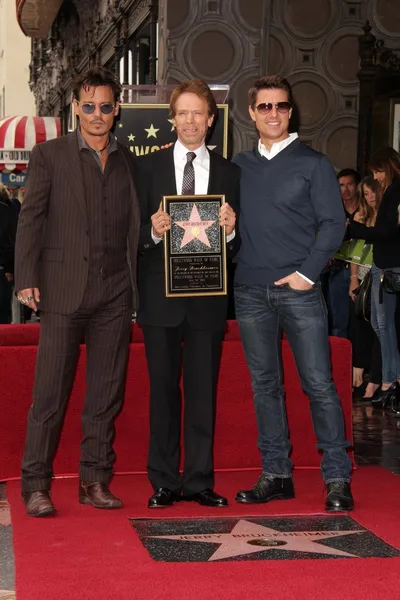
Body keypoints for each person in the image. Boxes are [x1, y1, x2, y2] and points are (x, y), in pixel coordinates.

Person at [14, 68, 140, 517]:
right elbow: (31, 218)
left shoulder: (128, 162)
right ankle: (35, 485)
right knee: (49, 393)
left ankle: (94, 480)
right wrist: (27, 274)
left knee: (105, 393)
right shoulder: (50, 155)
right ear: (75, 109)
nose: (97, 115)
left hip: (115, 294)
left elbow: (135, 227)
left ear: (117, 109)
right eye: (88, 106)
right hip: (63, 291)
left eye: (106, 106)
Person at [232, 75, 353, 512]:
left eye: (281, 106)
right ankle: (276, 473)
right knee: (265, 386)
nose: (274, 114)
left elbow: (334, 224)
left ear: (290, 111)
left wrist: (307, 272)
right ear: (252, 113)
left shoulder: (314, 164)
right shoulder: (238, 166)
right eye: (265, 107)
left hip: (300, 291)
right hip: (249, 289)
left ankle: (337, 477)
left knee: (319, 384)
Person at [136, 78, 240, 508]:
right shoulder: (147, 168)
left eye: (199, 112)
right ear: (172, 118)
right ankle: (163, 480)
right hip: (159, 302)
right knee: (162, 392)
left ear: (211, 120)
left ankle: (198, 481)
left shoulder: (231, 173)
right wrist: (154, 233)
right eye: (184, 112)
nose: (191, 120)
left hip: (207, 304)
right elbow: (131, 233)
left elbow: (236, 245)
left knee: (202, 394)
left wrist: (232, 233)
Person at [347, 147, 400, 415]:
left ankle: (391, 381)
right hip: (383, 264)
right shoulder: (391, 192)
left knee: (386, 327)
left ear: (388, 167)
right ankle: (389, 381)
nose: (375, 177)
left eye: (378, 171)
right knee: (381, 326)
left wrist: (354, 229)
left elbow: (389, 231)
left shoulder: (396, 191)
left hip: (391, 265)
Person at [348, 176, 382, 400]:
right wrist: (353, 278)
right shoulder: (362, 216)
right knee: (357, 322)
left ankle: (375, 378)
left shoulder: (388, 216)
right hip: (362, 275)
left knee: (379, 328)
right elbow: (354, 250)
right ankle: (357, 375)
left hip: (381, 275)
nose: (369, 198)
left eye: (372, 192)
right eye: (365, 194)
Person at [327, 169, 360, 338]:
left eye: (350, 184)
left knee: (361, 320)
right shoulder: (333, 210)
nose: (346, 190)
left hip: (362, 269)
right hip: (338, 268)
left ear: (357, 186)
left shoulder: (366, 208)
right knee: (338, 321)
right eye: (341, 185)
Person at [0, 184, 16, 323]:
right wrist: (9, 268)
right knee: (3, 309)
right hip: (3, 268)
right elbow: (9, 241)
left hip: (3, 267)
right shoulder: (8, 210)